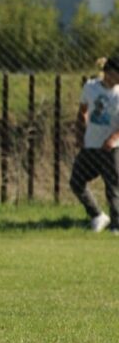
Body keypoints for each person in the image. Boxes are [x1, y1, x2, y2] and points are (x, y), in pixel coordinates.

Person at [69, 55, 119, 234]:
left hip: (111, 149)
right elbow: (82, 111)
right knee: (76, 182)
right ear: (108, 72)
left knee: (113, 186)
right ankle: (98, 216)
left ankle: (116, 225)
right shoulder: (90, 87)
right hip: (90, 145)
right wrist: (80, 134)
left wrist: (113, 138)